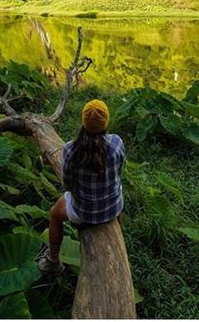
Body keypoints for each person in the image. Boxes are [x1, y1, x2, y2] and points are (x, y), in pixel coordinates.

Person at [37, 99, 125, 274]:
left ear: (83, 121)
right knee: (116, 190)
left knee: (55, 214)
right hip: (112, 208)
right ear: (106, 122)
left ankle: (53, 261)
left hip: (82, 212)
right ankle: (118, 236)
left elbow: (68, 184)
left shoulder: (71, 149)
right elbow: (119, 171)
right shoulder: (117, 143)